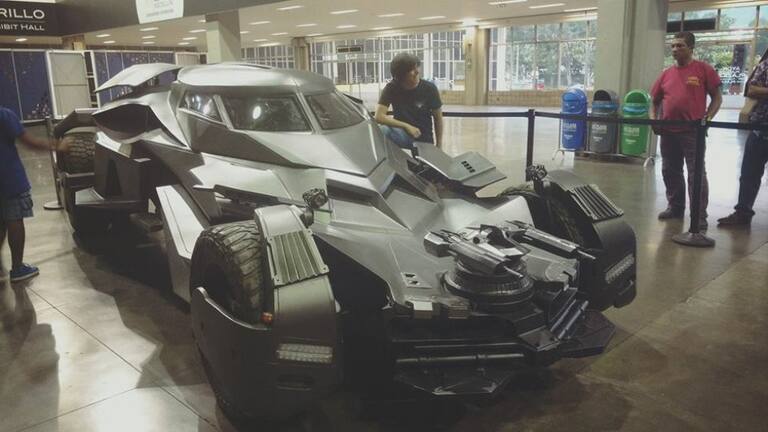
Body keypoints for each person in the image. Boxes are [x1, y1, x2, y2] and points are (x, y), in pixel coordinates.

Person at [650, 31, 722, 229]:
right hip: (668, 132)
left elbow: (717, 98)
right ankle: (675, 207)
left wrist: (707, 118)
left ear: (691, 48)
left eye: (680, 45)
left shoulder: (703, 69)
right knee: (670, 170)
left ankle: (699, 216)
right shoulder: (666, 74)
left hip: (692, 132)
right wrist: (654, 120)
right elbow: (654, 101)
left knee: (696, 173)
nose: (675, 49)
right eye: (673, 46)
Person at [1, 105, 62, 282]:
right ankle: (17, 268)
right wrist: (58, 146)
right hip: (9, 178)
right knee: (14, 219)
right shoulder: (4, 115)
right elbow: (30, 143)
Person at [717, 51, 768, 226]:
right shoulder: (766, 65)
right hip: (761, 129)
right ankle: (742, 213)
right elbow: (751, 89)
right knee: (749, 174)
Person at [375, 52, 444, 149]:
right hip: (402, 135)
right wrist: (406, 126)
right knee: (382, 130)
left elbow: (438, 118)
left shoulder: (429, 88)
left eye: (417, 67)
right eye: (411, 69)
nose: (417, 72)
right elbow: (378, 116)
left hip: (424, 139)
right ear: (400, 75)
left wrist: (439, 145)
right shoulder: (392, 88)